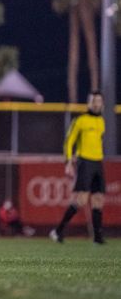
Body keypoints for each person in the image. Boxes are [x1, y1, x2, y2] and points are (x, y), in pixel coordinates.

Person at [50, 91, 106, 244]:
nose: (96, 104)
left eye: (98, 101)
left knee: (98, 199)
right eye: (93, 101)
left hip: (98, 162)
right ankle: (58, 231)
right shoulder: (80, 120)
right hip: (85, 162)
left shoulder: (101, 121)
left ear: (102, 103)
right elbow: (69, 141)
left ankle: (98, 237)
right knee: (81, 199)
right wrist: (68, 161)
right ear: (88, 103)